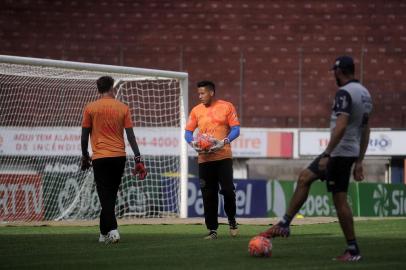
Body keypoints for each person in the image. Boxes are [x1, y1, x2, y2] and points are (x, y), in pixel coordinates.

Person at [260, 56, 373, 261]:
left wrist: (328, 153)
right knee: (305, 178)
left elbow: (341, 124)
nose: (334, 76)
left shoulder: (344, 92)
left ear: (339, 72)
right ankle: (285, 224)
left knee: (339, 199)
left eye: (334, 73)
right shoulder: (365, 93)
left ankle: (353, 249)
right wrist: (359, 160)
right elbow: (366, 130)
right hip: (348, 152)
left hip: (338, 153)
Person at [81, 75, 147, 244]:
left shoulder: (90, 108)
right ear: (112, 88)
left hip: (100, 157)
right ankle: (103, 233)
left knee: (105, 196)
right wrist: (138, 158)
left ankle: (113, 230)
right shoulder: (123, 107)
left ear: (99, 89)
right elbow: (131, 136)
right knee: (110, 195)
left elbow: (84, 135)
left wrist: (84, 155)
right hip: (119, 157)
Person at [185, 80, 241, 240]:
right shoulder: (196, 110)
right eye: (199, 94)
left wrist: (223, 142)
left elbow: (236, 129)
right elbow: (188, 133)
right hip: (204, 158)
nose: (200, 96)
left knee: (228, 191)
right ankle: (212, 230)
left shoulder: (227, 106)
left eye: (202, 93)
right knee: (208, 195)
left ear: (211, 92)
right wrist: (193, 143)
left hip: (223, 156)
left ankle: (232, 220)